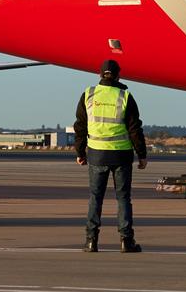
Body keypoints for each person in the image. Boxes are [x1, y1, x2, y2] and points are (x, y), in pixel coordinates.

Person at [74, 59, 146, 253]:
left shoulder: (88, 95)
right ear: (118, 75)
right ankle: (126, 241)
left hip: (96, 154)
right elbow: (134, 129)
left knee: (95, 198)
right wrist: (142, 155)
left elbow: (80, 126)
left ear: (100, 75)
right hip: (121, 155)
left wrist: (80, 152)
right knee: (123, 198)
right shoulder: (125, 96)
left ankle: (91, 241)